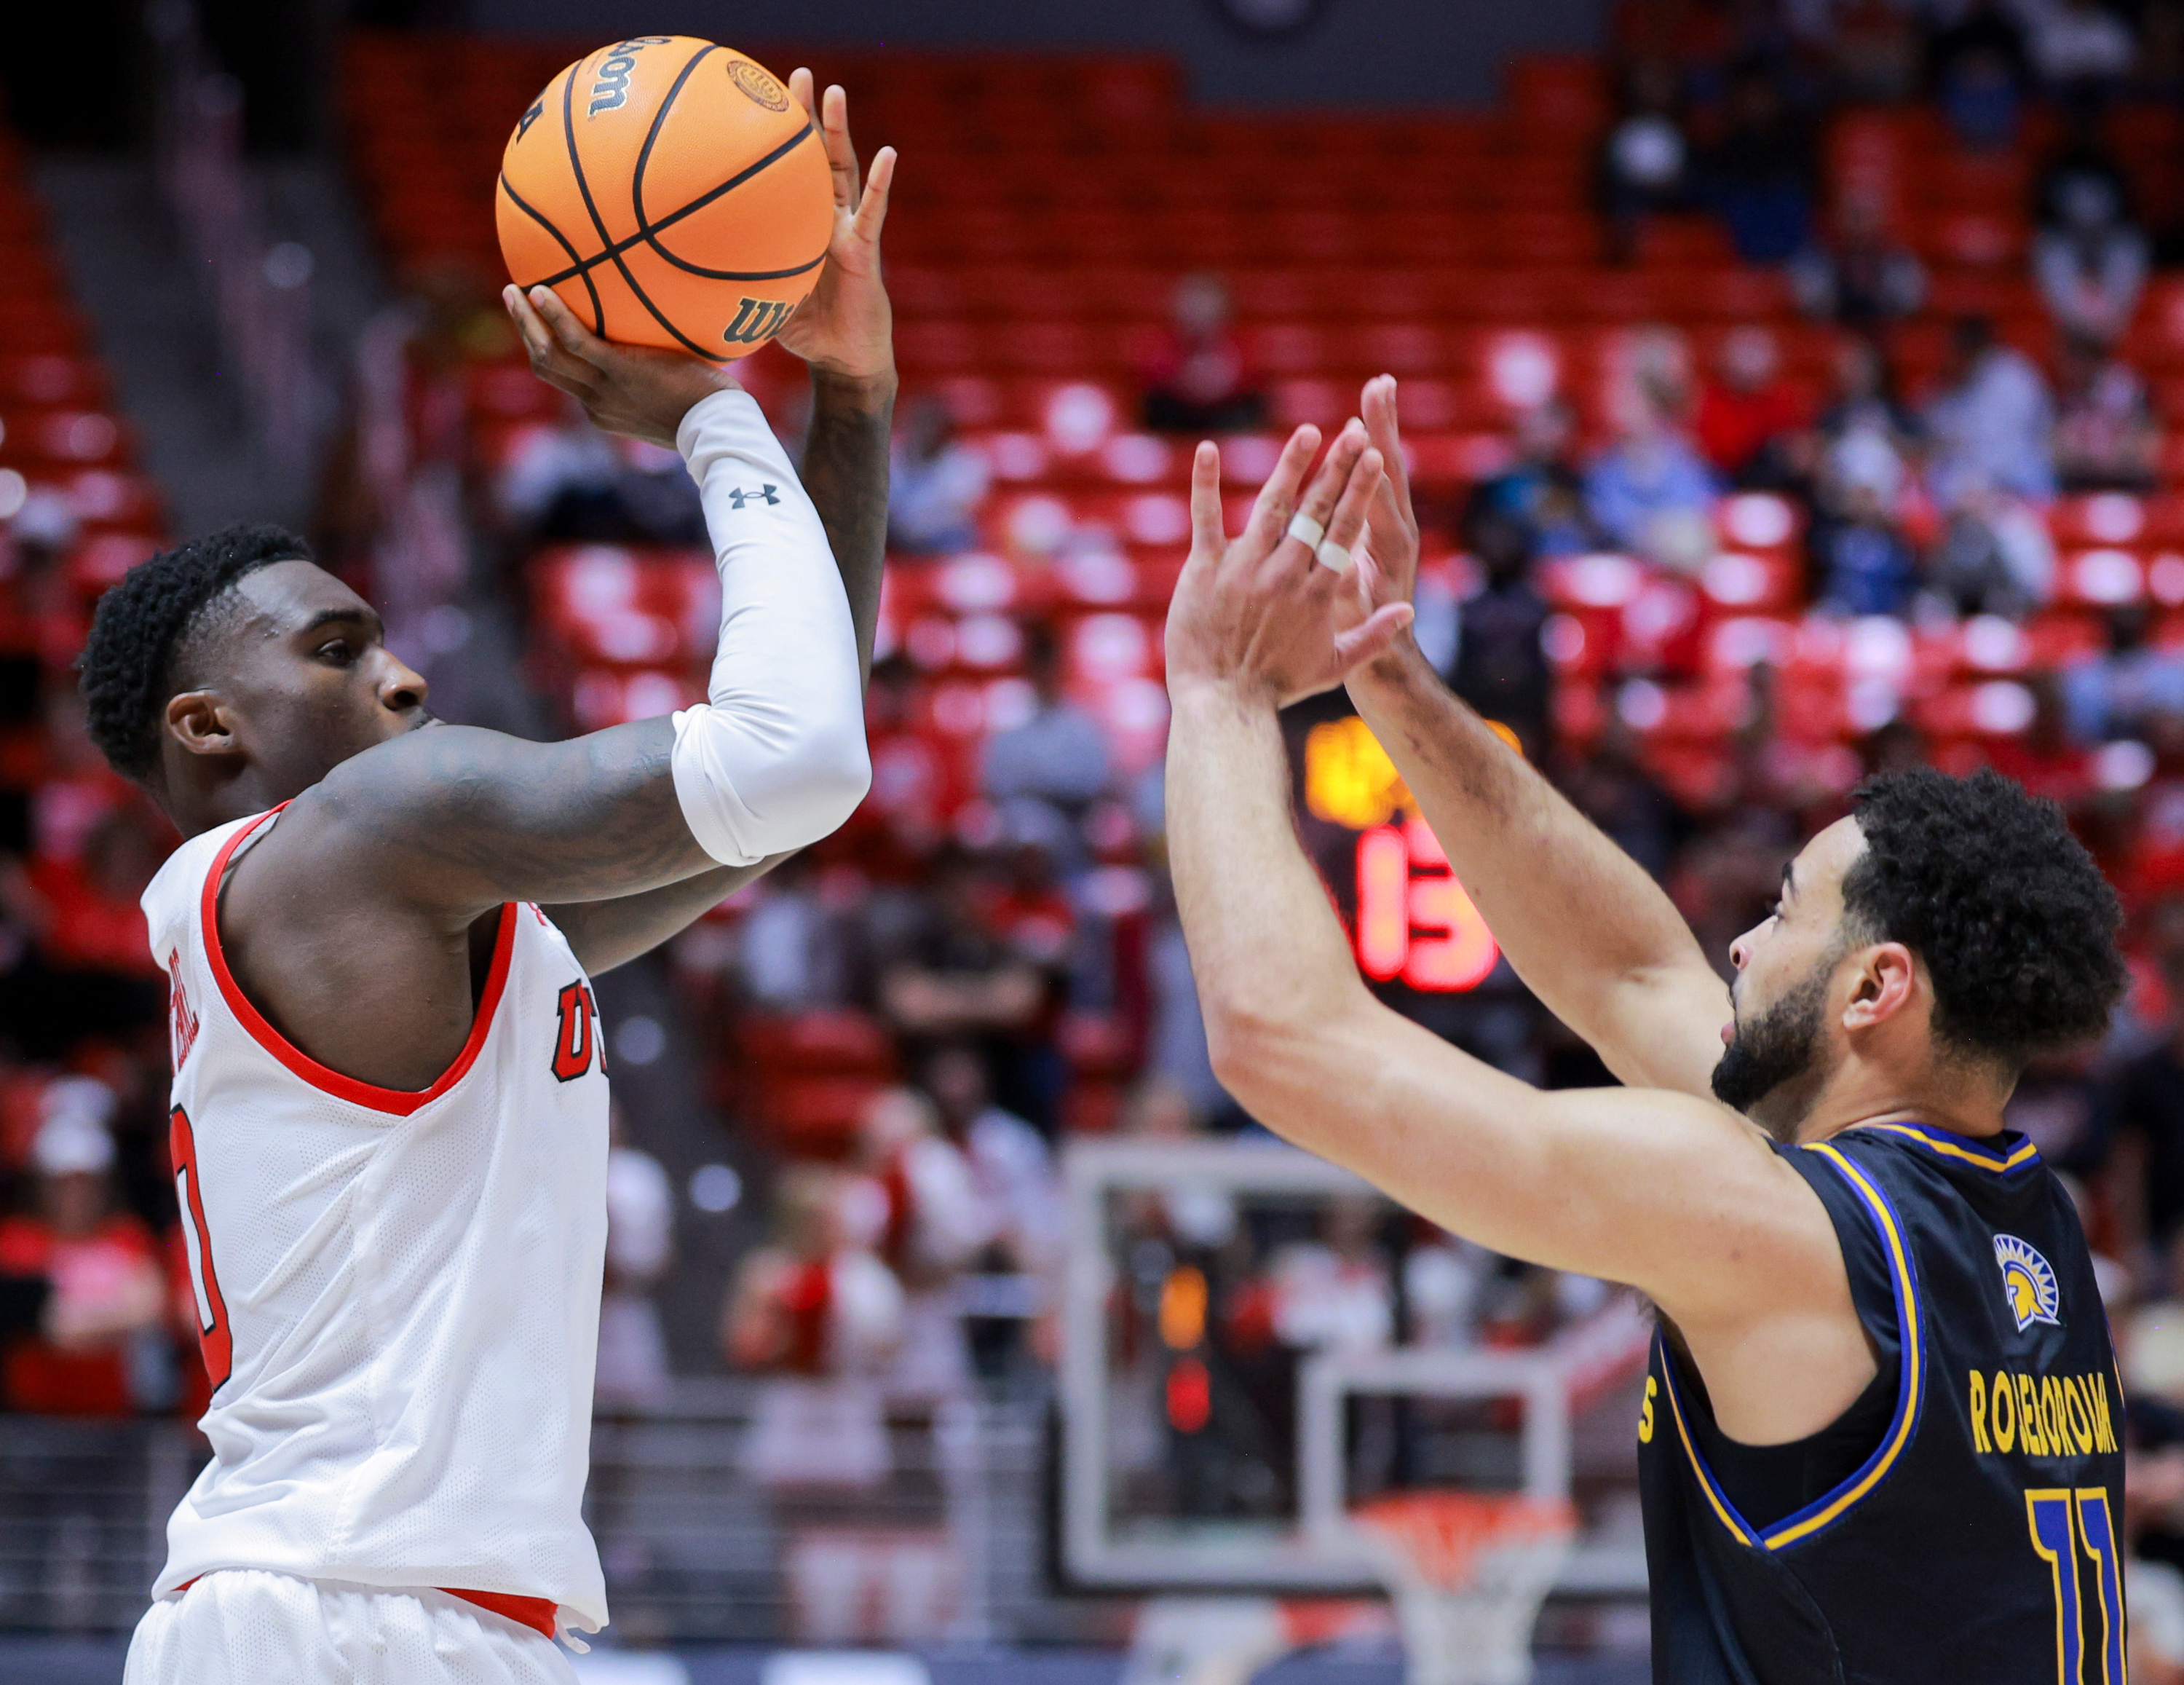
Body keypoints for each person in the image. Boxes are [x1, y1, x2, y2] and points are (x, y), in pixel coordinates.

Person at [96, 76, 896, 1685]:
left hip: (408, 1609)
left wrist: (854, 402)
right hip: (333, 1607)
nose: (399, 679)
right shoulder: (372, 828)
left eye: (384, 640)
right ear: (208, 723)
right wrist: (705, 408)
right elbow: (796, 757)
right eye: (336, 650)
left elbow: (788, 796)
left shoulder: (393, 911)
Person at [1160, 372, 2131, 1681]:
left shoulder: (1782, 1229)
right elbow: (1625, 976)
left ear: (1874, 989)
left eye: (1786, 910)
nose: (1738, 943)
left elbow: (1284, 1039)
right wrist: (1380, 666)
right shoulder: (2019, 1213)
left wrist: (1219, 694)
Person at [1924, 315, 2057, 510]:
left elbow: (2044, 429)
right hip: (1976, 487)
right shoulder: (1953, 389)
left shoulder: (2017, 378)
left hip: (2023, 483)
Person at [1139, 274, 1267, 436]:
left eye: (1207, 304)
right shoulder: (1159, 354)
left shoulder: (1246, 354)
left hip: (1230, 435)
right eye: (1193, 304)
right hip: (1172, 433)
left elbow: (1258, 412)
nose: (1200, 311)